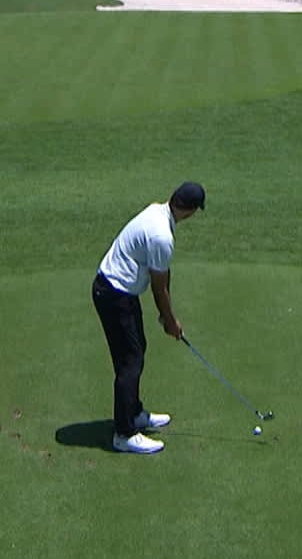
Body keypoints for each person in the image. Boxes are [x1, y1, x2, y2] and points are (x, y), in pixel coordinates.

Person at [91, 181, 205, 454]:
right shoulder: (161, 236)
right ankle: (124, 433)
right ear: (189, 211)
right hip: (113, 294)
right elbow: (159, 286)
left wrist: (167, 318)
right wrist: (170, 320)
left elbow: (164, 276)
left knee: (137, 348)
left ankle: (134, 413)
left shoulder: (158, 211)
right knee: (130, 362)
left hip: (120, 293)